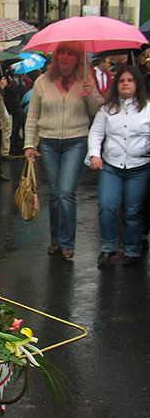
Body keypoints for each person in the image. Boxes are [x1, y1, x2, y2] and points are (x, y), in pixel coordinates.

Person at [24, 41, 103, 260]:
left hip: (76, 142)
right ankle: (55, 240)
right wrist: (29, 144)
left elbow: (100, 111)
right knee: (56, 194)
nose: (65, 57)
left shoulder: (86, 81)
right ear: (56, 57)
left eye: (71, 53)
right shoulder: (42, 82)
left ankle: (67, 242)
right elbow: (32, 115)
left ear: (78, 58)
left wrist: (90, 94)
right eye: (62, 53)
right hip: (48, 142)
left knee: (66, 192)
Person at [87, 66, 150, 267]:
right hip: (111, 166)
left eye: (130, 80)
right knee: (107, 206)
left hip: (139, 166)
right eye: (122, 80)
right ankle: (108, 248)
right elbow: (96, 133)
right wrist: (95, 155)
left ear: (137, 84)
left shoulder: (147, 108)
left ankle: (132, 249)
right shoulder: (107, 109)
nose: (125, 83)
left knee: (133, 210)